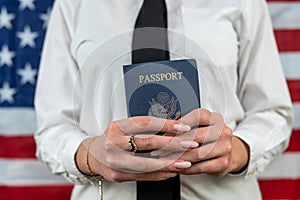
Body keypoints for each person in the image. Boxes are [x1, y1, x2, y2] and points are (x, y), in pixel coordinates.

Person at [34, 0, 293, 199]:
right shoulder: (74, 4)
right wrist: (91, 156)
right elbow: (52, 127)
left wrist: (238, 151)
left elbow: (273, 112)